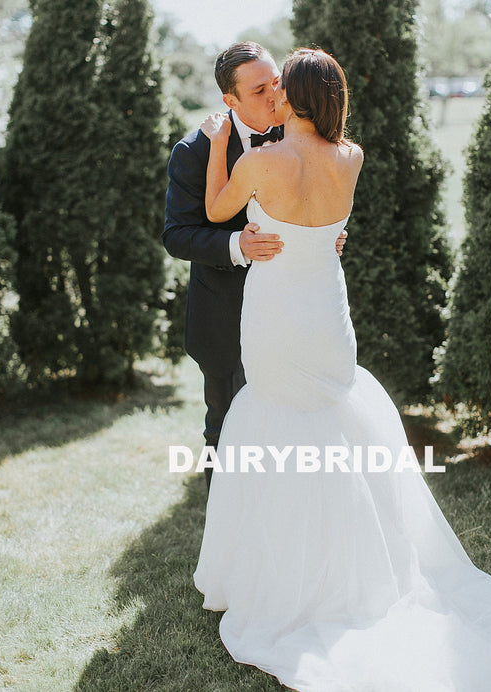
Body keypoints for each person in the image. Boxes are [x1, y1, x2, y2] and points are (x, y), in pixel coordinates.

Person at [192, 48, 491, 691]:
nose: (273, 95)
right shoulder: (351, 157)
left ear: (293, 98)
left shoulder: (259, 161)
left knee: (275, 421)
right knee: (334, 421)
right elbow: (325, 227)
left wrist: (221, 142)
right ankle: (358, 570)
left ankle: (288, 580)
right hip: (327, 313)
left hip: (277, 315)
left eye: (280, 87)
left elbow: (219, 211)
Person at [162, 42, 347, 491]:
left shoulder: (302, 133)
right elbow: (177, 235)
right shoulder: (194, 151)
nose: (274, 96)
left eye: (276, 83)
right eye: (259, 90)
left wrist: (326, 235)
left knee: (293, 422)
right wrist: (236, 244)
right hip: (224, 313)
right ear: (230, 100)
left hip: (295, 312)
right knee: (226, 425)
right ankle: (223, 515)